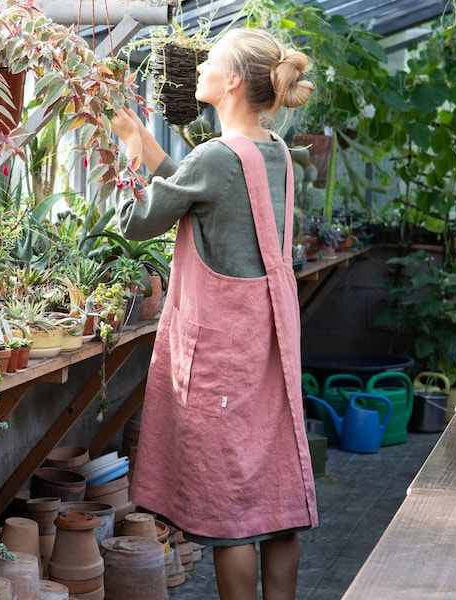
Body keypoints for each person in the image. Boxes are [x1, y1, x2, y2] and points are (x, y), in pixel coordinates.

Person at [111, 27, 318, 600]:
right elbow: (189, 189)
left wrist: (124, 146)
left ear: (231, 81)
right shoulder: (274, 152)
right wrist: (140, 137)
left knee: (230, 515)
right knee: (274, 502)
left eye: (211, 59)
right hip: (269, 346)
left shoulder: (216, 157)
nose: (198, 64)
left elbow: (138, 221)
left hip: (224, 355)